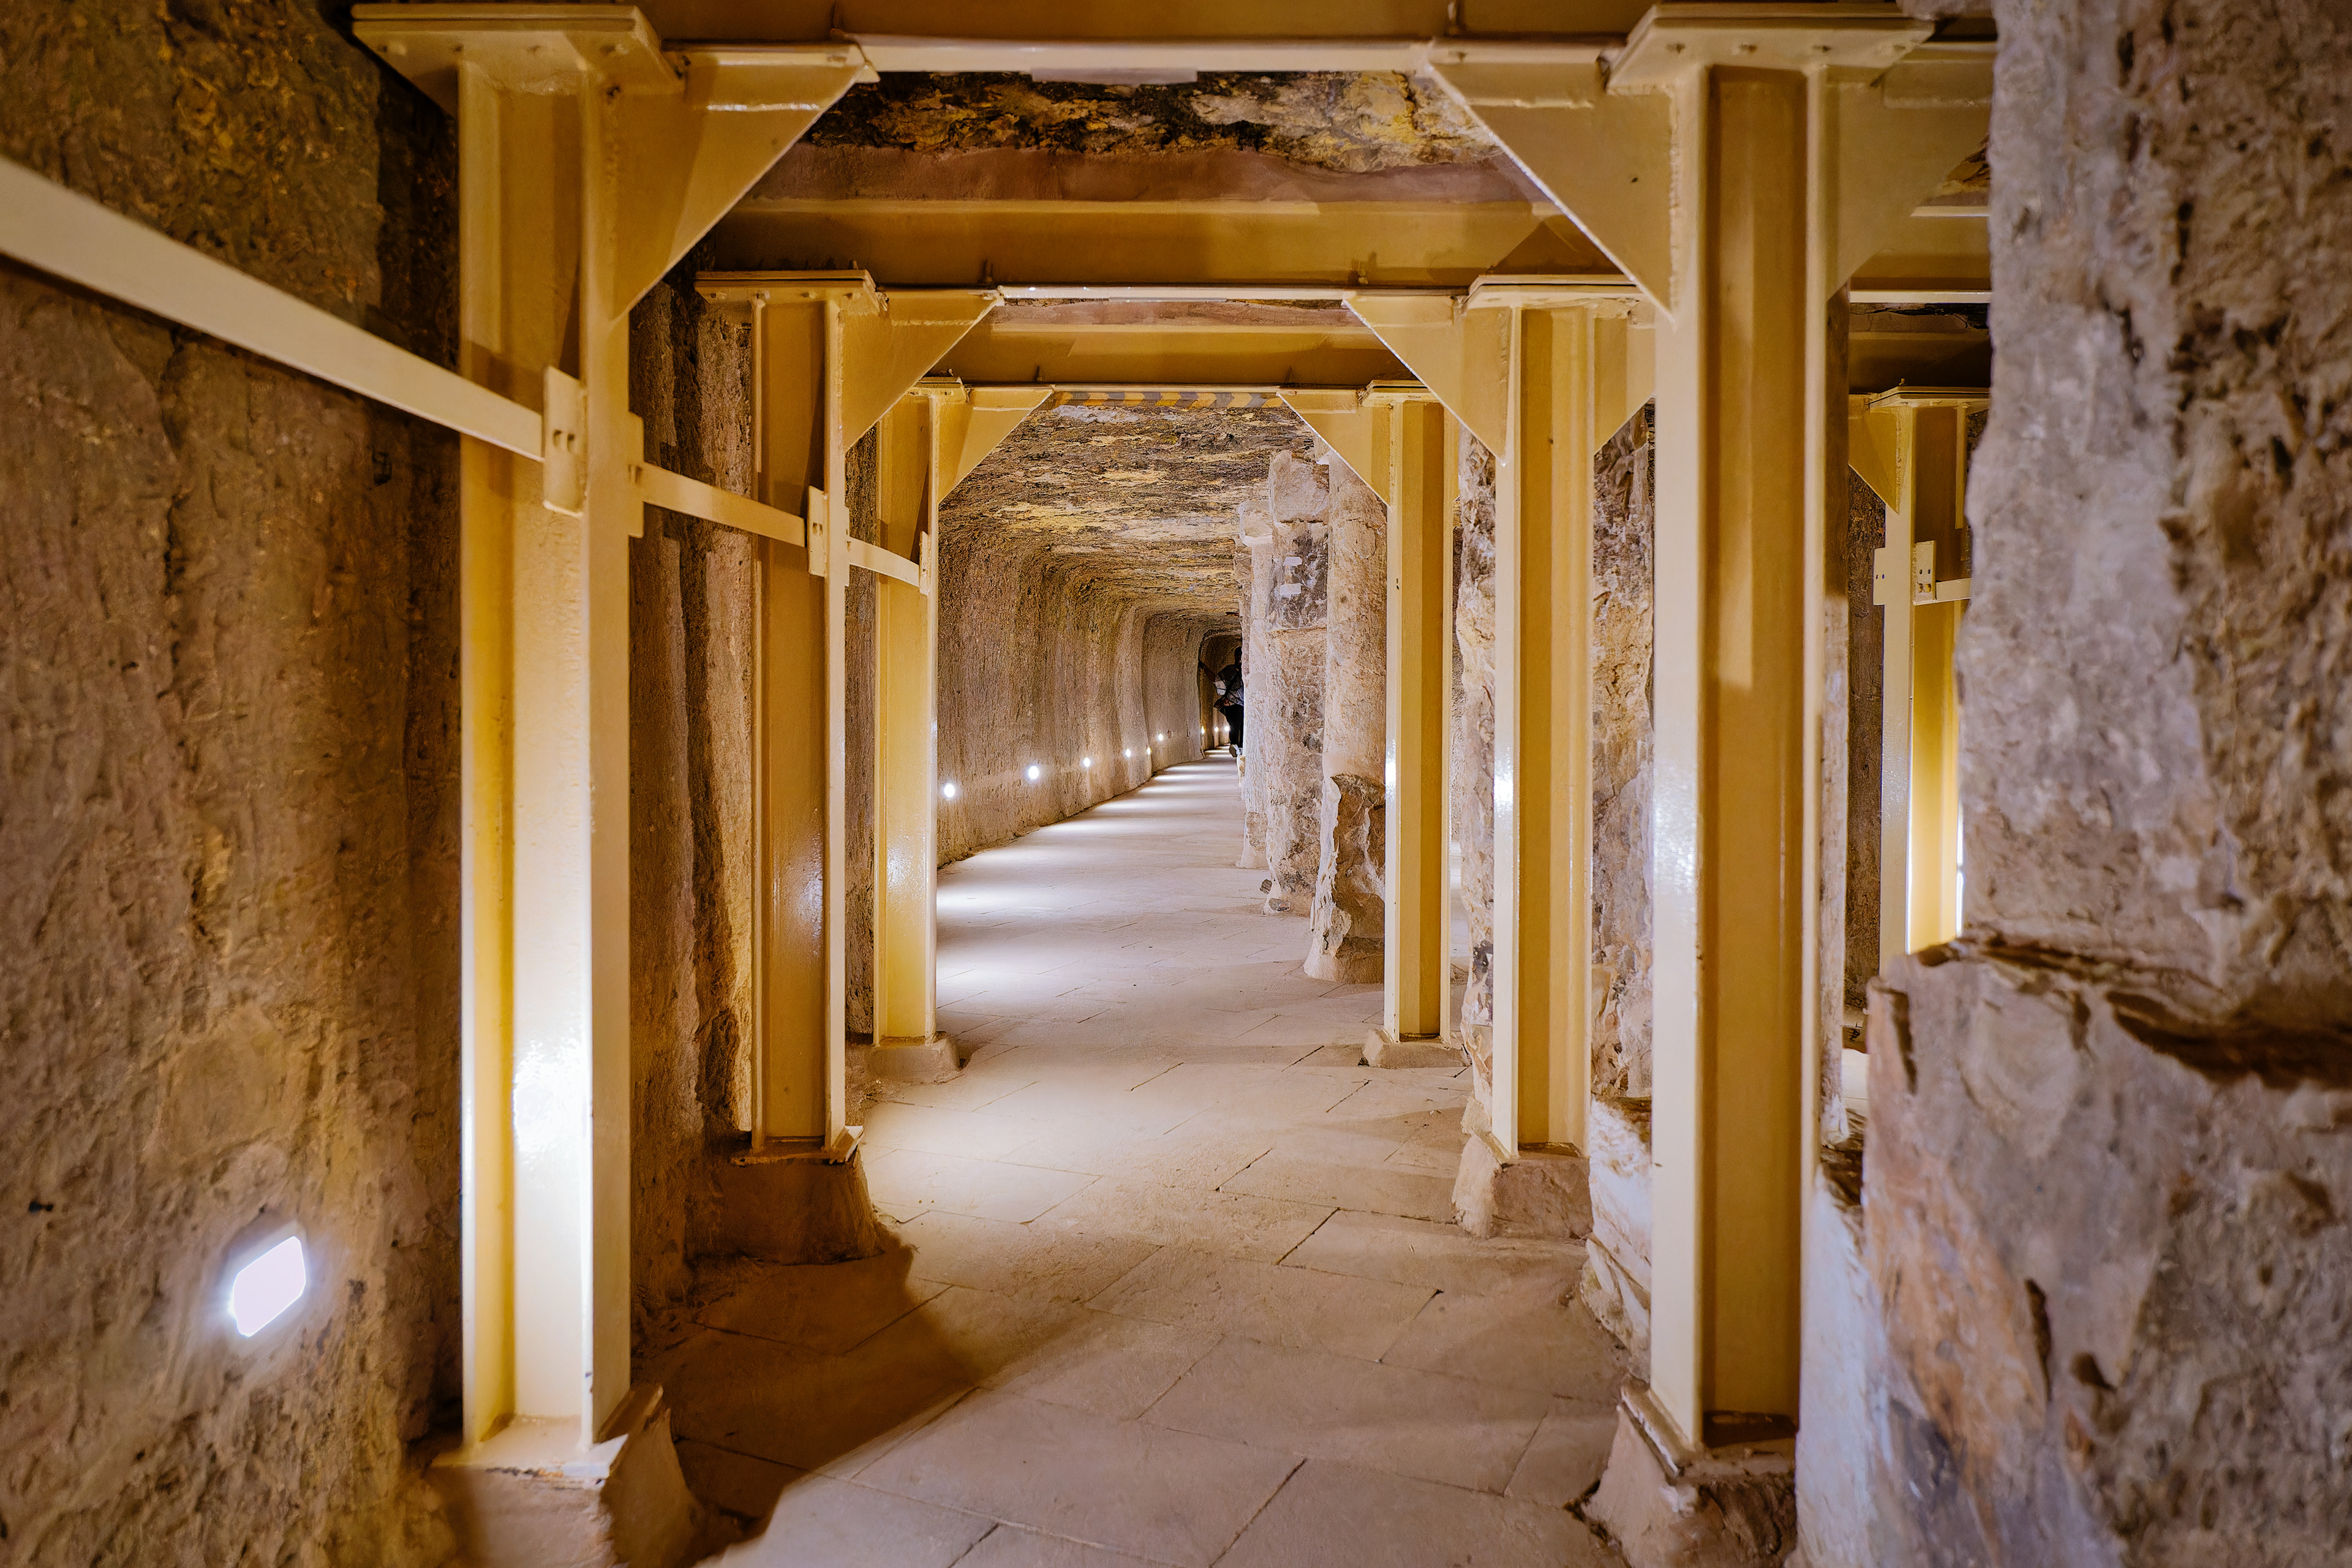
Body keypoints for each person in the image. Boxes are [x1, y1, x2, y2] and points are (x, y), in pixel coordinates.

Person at [1215, 660, 1245, 753]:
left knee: (1240, 724)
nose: (1239, 658)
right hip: (1232, 705)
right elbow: (1219, 681)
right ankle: (1235, 744)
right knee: (1234, 724)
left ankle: (1240, 744)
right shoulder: (1230, 671)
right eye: (1237, 655)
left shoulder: (1247, 670)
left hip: (1242, 704)